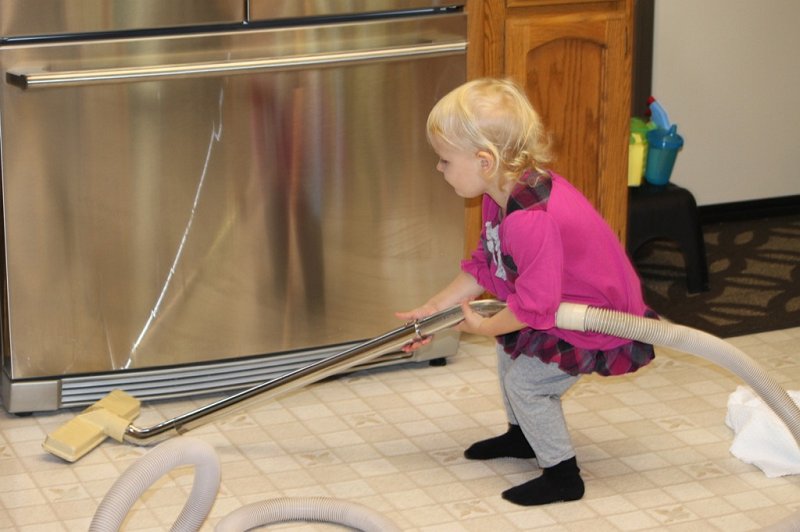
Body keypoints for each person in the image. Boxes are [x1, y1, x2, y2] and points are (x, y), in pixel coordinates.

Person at [396, 78, 656, 507]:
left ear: (484, 160)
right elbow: (485, 265)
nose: (439, 169)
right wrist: (433, 308)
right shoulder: (499, 194)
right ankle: (523, 436)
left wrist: (482, 326)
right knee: (510, 347)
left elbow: (535, 306)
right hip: (557, 302)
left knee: (529, 385)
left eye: (444, 160)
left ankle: (562, 475)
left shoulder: (530, 218)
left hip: (594, 316)